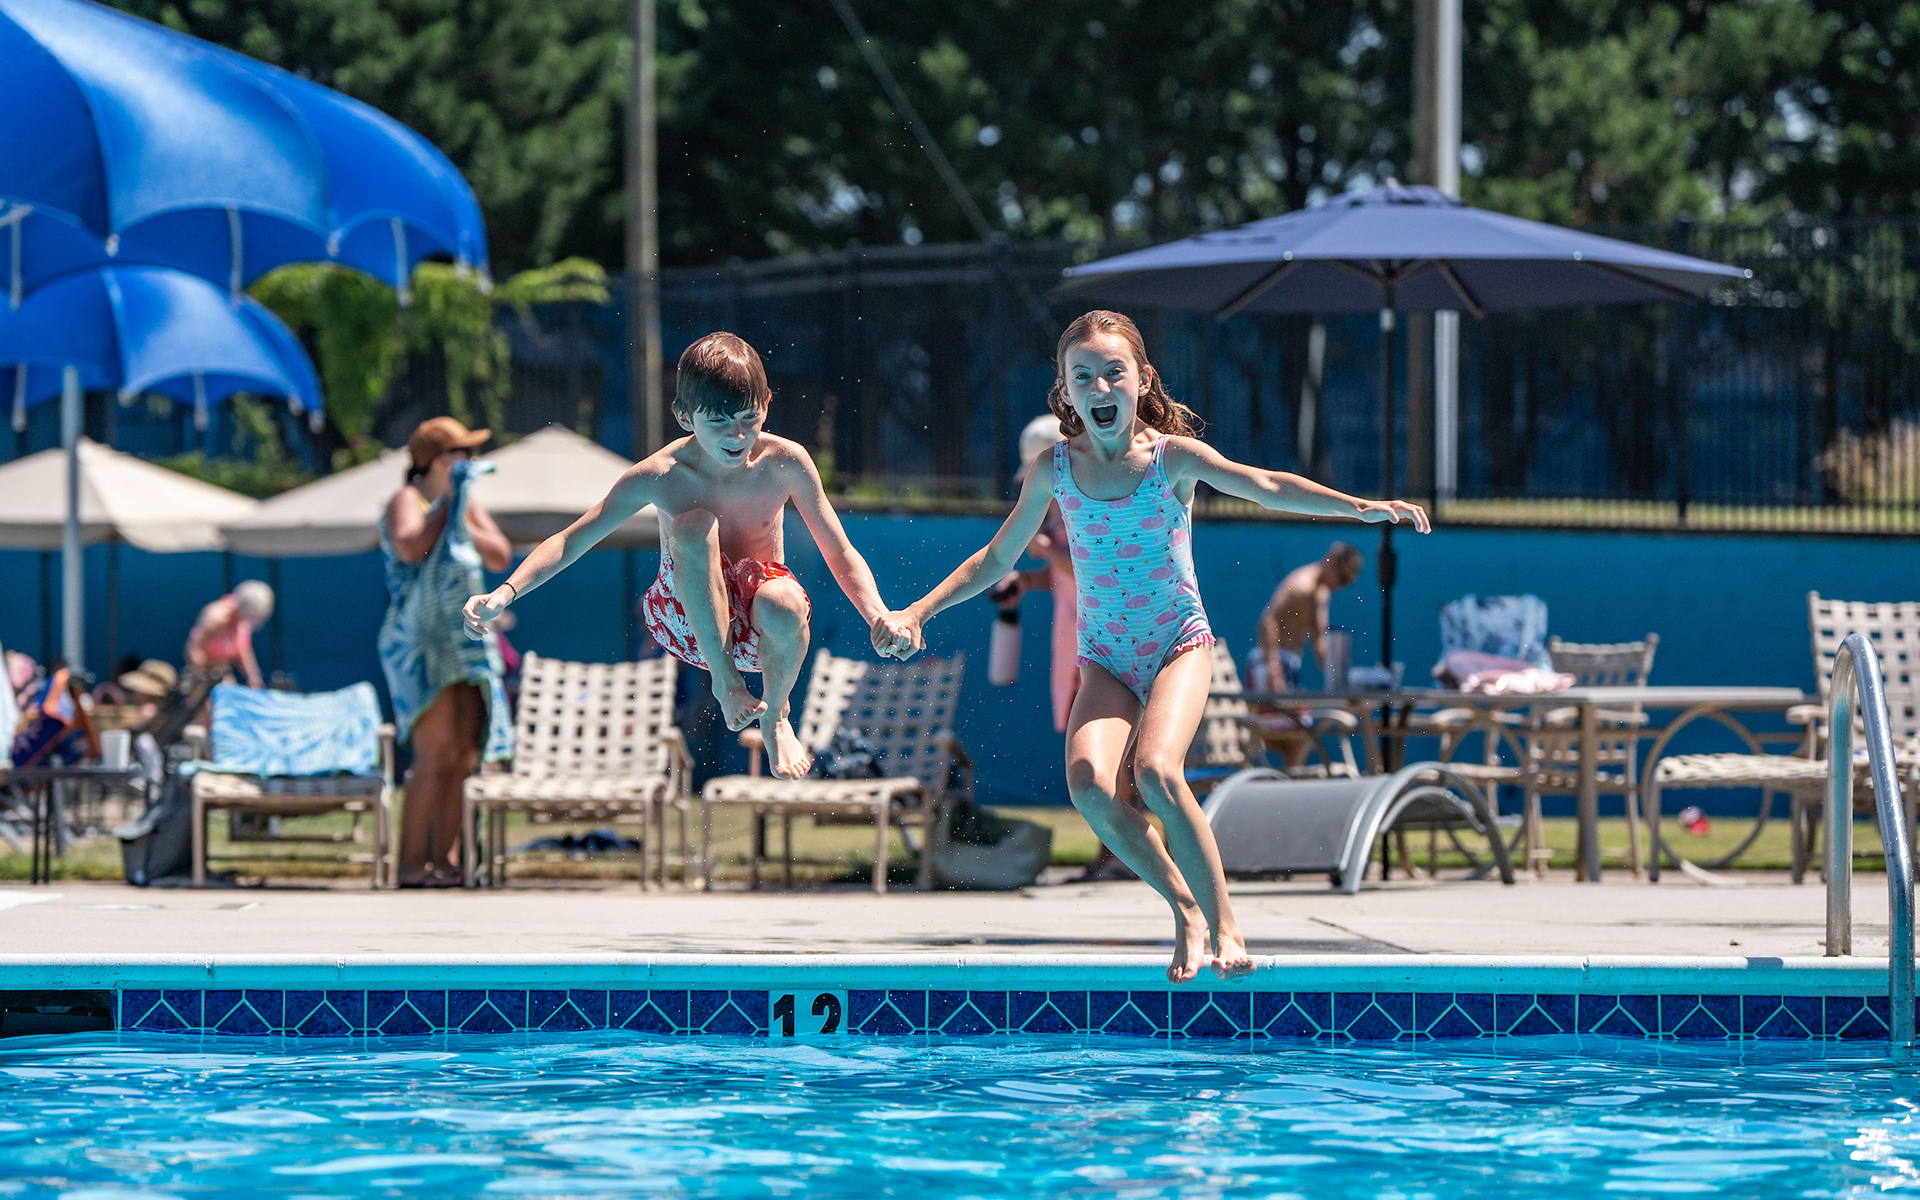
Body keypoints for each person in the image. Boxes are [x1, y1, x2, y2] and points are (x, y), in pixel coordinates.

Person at [873, 310, 1429, 982]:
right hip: (1106, 659)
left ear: (1142, 380)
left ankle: (1225, 926)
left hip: (1177, 645)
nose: (1100, 387)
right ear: (1065, 392)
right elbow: (996, 559)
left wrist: (1361, 508)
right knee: (1089, 785)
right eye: (1083, 377)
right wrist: (918, 611)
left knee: (1159, 774)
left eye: (1115, 372)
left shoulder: (1173, 459)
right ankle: (1184, 908)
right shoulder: (1054, 469)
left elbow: (1266, 487)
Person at [461, 332, 897, 781]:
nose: (737, 435)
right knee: (694, 526)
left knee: (785, 600)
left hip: (759, 633)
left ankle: (776, 714)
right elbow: (572, 540)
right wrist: (506, 592)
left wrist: (878, 614)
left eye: (749, 417)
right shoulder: (661, 476)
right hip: (686, 620)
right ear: (684, 416)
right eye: (719, 421)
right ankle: (726, 682)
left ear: (767, 403)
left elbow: (839, 549)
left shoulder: (785, 462)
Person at [381, 416, 515, 887]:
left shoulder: (465, 503)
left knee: (462, 755)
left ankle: (446, 861)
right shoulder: (407, 499)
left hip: (465, 642)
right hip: (420, 645)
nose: (471, 461)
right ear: (440, 460)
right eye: (463, 453)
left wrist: (460, 512)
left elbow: (499, 554)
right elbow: (410, 546)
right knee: (434, 754)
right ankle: (411, 864)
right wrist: (450, 506)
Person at [1252, 542, 1364, 692]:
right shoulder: (1302, 586)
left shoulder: (1321, 593)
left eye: (1347, 582)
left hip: (1288, 663)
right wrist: (1273, 670)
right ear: (1331, 560)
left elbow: (1319, 640)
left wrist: (1337, 679)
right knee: (1283, 708)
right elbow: (1268, 621)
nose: (1341, 585)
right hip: (1270, 662)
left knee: (1300, 707)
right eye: (1342, 578)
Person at [185, 580, 273, 689]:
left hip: (223, 677)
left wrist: (253, 677)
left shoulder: (242, 621)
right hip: (204, 678)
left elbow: (243, 650)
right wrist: (207, 681)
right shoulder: (217, 618)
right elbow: (192, 651)